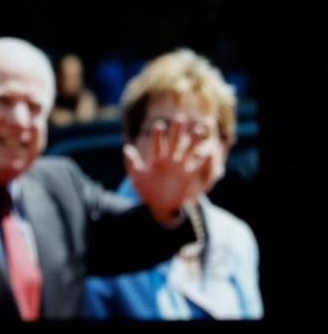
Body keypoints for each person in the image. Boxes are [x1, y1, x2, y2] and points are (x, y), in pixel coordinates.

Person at [0, 37, 214, 321]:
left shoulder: (59, 184)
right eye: (3, 101)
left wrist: (166, 207)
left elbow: (129, 241)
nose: (21, 120)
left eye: (35, 107)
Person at [83, 49, 261, 320]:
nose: (182, 149)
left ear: (224, 148)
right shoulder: (95, 234)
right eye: (164, 131)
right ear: (130, 141)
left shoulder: (236, 238)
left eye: (199, 133)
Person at [48, 53, 99, 127]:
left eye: (77, 76)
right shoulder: (49, 99)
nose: (74, 82)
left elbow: (85, 119)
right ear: (59, 78)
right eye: (69, 77)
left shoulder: (87, 98)